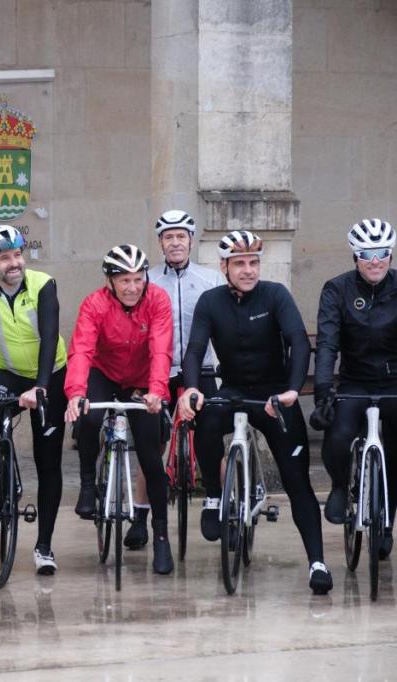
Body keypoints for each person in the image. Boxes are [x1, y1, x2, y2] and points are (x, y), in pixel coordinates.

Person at [178, 230, 332, 595]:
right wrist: (192, 388)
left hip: (275, 395)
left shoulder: (275, 295)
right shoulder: (210, 301)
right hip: (232, 391)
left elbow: (297, 341)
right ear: (224, 267)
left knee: (297, 483)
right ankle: (214, 494)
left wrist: (293, 391)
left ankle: (318, 562)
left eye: (253, 263)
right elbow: (195, 349)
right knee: (207, 421)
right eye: (239, 264)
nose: (248, 270)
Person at [0, 225, 69, 574]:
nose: (14, 262)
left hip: (50, 373)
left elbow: (50, 337)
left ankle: (45, 546)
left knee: (47, 459)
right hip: (7, 372)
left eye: (18, 254)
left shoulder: (43, 284)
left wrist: (40, 387)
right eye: (5, 257)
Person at [64, 244, 175, 575]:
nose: (132, 287)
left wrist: (157, 391)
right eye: (123, 280)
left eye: (137, 279)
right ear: (109, 281)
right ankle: (88, 483)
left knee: (152, 459)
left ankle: (161, 537)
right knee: (89, 415)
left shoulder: (157, 301)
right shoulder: (95, 304)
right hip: (104, 373)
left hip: (141, 379)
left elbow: (161, 349)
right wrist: (76, 394)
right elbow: (81, 350)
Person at [122, 210, 223, 550]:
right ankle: (139, 517)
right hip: (159, 371)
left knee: (211, 439)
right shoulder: (147, 280)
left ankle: (220, 503)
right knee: (152, 445)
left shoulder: (211, 279)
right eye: (169, 237)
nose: (176, 242)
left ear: (191, 241)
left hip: (203, 370)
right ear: (160, 243)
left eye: (181, 236)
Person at [310, 219, 397, 559]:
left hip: (393, 381)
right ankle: (337, 486)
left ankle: (386, 521)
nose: (374, 261)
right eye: (366, 254)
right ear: (355, 256)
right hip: (355, 382)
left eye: (381, 253)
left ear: (389, 255)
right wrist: (322, 392)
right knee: (339, 434)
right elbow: (328, 343)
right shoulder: (337, 289)